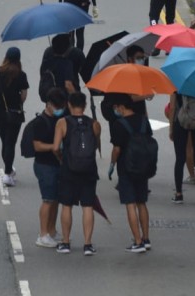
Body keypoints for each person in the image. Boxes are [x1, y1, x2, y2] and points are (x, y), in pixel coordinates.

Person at [52, 92, 101, 256]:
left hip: (69, 169)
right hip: (89, 169)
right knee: (88, 206)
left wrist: (61, 159)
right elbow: (95, 145)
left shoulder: (62, 122)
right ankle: (88, 244)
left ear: (69, 105)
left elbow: (55, 148)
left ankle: (65, 242)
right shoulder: (94, 124)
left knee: (67, 205)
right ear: (85, 106)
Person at [107, 93, 152, 252]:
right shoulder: (143, 120)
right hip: (143, 167)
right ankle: (146, 239)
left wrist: (112, 163)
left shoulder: (119, 125)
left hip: (126, 169)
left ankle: (137, 241)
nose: (115, 110)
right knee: (142, 203)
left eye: (116, 107)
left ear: (121, 107)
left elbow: (117, 149)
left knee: (130, 204)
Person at [0, 47, 29, 187]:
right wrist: (16, 102)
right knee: (11, 142)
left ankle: (8, 170)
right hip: (14, 112)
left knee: (5, 140)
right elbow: (23, 96)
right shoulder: (21, 75)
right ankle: (7, 172)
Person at [32, 88, 67, 248]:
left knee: (55, 200)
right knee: (47, 200)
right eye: (57, 106)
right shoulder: (41, 122)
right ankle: (42, 234)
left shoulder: (61, 120)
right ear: (48, 104)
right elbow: (37, 146)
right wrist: (54, 147)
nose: (60, 109)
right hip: (44, 165)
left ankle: (52, 231)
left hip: (57, 164)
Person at [167, 93, 195, 205]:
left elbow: (172, 108)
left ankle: (178, 194)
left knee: (180, 159)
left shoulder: (178, 84)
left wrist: (171, 128)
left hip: (180, 123)